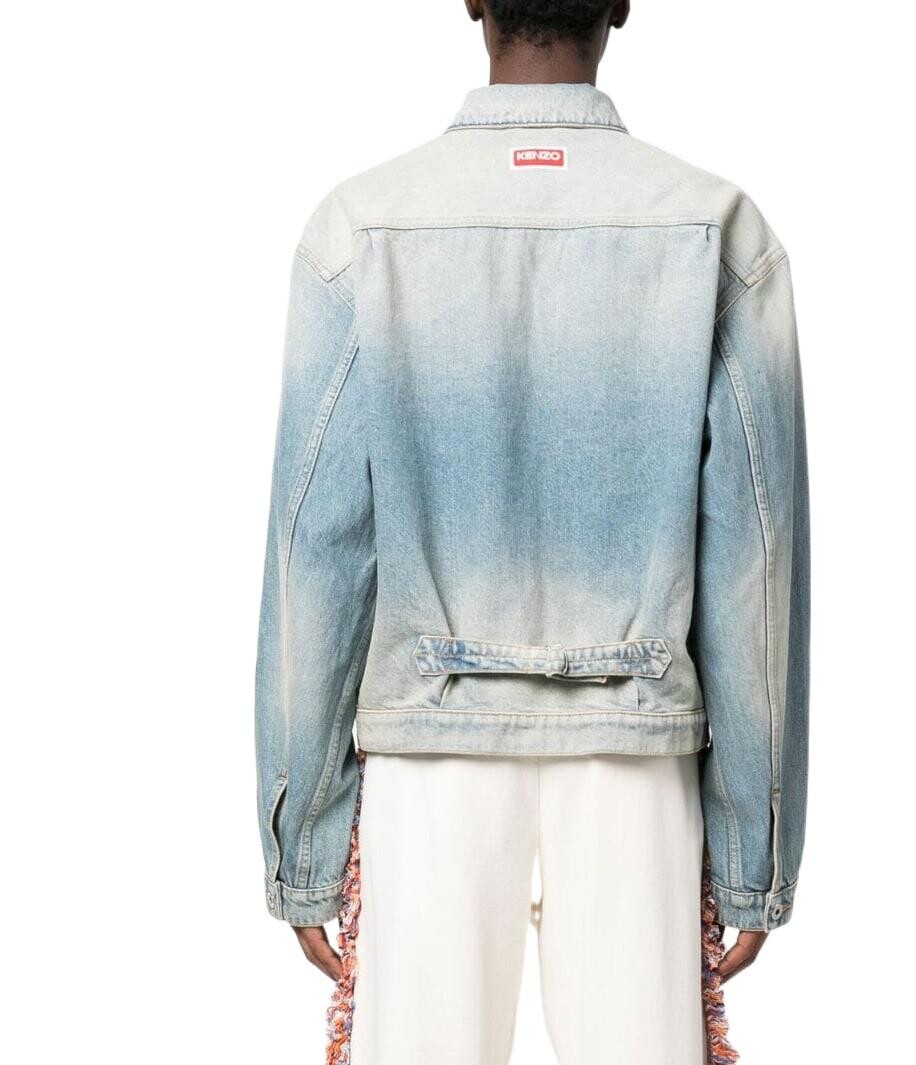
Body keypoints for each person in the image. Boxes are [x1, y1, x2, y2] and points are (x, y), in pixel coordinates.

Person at [254, 2, 810, 1062]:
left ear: (472, 1)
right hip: (634, 752)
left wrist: (305, 842)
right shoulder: (716, 228)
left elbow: (315, 550)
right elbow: (757, 559)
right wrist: (755, 846)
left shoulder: (360, 227)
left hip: (430, 748)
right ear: (621, 4)